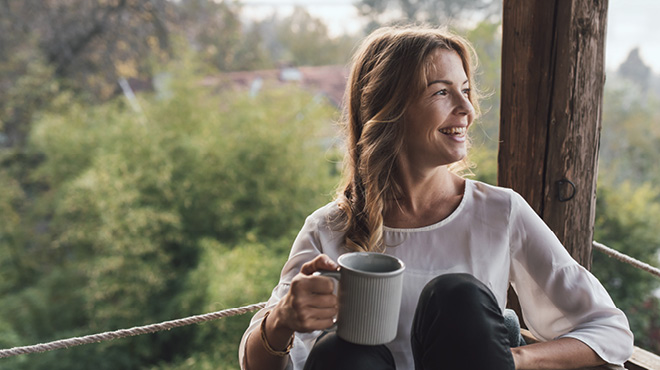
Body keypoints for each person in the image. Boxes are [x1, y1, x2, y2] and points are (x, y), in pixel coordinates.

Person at [239, 26, 634, 370]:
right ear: (389, 109)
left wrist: (509, 358)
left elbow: (609, 329)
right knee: (340, 353)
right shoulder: (329, 229)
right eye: (442, 92)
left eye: (465, 91)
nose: (467, 109)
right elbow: (257, 364)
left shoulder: (501, 212)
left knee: (456, 296)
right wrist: (283, 320)